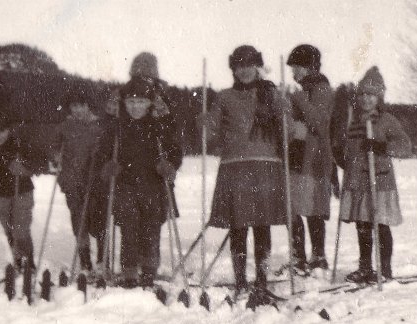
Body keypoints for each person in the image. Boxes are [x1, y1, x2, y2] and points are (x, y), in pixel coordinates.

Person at [203, 45, 288, 292]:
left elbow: (287, 128)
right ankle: (240, 279)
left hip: (265, 165)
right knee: (238, 225)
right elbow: (213, 128)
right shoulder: (224, 96)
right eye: (239, 66)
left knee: (262, 224)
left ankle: (262, 278)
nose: (244, 71)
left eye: (249, 65)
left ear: (257, 66)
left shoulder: (271, 95)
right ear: (233, 69)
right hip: (235, 167)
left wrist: (284, 112)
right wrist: (206, 122)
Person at [98, 78, 182, 288]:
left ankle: (149, 269)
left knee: (151, 226)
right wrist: (108, 165)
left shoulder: (158, 125)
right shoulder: (118, 126)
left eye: (141, 102)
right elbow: (103, 151)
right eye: (131, 102)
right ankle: (129, 271)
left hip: (153, 184)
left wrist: (169, 165)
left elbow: (174, 150)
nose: (136, 107)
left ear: (149, 104)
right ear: (124, 104)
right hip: (125, 184)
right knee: (129, 226)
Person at [339, 66, 411, 282]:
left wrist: (382, 147)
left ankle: (385, 269)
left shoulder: (386, 120)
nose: (365, 99)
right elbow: (347, 149)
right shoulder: (353, 121)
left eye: (370, 95)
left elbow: (405, 146)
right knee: (362, 225)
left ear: (379, 96)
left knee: (380, 225)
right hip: (358, 181)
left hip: (379, 180)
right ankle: (365, 267)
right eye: (362, 94)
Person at [285, 44, 335, 274]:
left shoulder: (322, 88)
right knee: (292, 208)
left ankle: (317, 258)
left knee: (312, 208)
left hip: (313, 159)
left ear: (308, 67)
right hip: (296, 155)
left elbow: (319, 122)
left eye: (296, 68)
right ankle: (298, 258)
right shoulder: (301, 89)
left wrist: (297, 99)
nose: (293, 74)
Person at [0, 108, 40, 271]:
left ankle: (29, 262)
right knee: (9, 228)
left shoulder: (18, 144)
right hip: (0, 193)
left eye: (1, 131)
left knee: (20, 228)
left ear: (8, 130)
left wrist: (23, 168)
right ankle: (18, 260)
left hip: (22, 191)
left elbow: (37, 165)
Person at [51, 88, 106, 273]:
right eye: (74, 106)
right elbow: (54, 146)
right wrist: (56, 155)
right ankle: (85, 261)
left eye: (81, 105)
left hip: (94, 181)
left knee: (98, 219)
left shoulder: (97, 126)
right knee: (78, 220)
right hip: (72, 181)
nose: (78, 110)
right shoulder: (64, 127)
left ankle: (101, 259)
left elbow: (105, 150)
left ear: (88, 105)